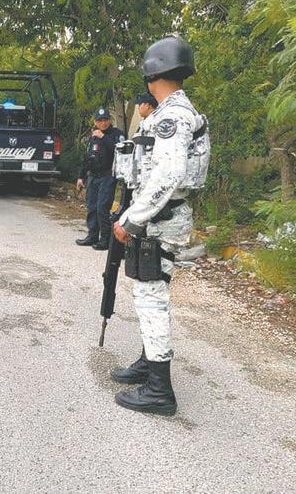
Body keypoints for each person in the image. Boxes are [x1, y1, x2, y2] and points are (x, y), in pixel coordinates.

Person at [111, 36, 204, 416]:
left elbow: (168, 174)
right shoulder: (175, 112)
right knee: (149, 293)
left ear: (152, 76)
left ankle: (159, 390)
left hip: (159, 220)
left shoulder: (171, 116)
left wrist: (132, 219)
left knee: (151, 298)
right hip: (161, 218)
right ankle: (148, 363)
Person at [75, 109, 124, 250]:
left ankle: (105, 239)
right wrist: (81, 176)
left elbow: (118, 151)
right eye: (100, 120)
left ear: (109, 120)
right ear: (95, 122)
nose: (103, 123)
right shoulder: (93, 136)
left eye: (105, 120)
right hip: (93, 176)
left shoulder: (116, 134)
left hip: (107, 176)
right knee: (91, 207)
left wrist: (103, 137)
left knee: (102, 207)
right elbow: (88, 157)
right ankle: (92, 236)